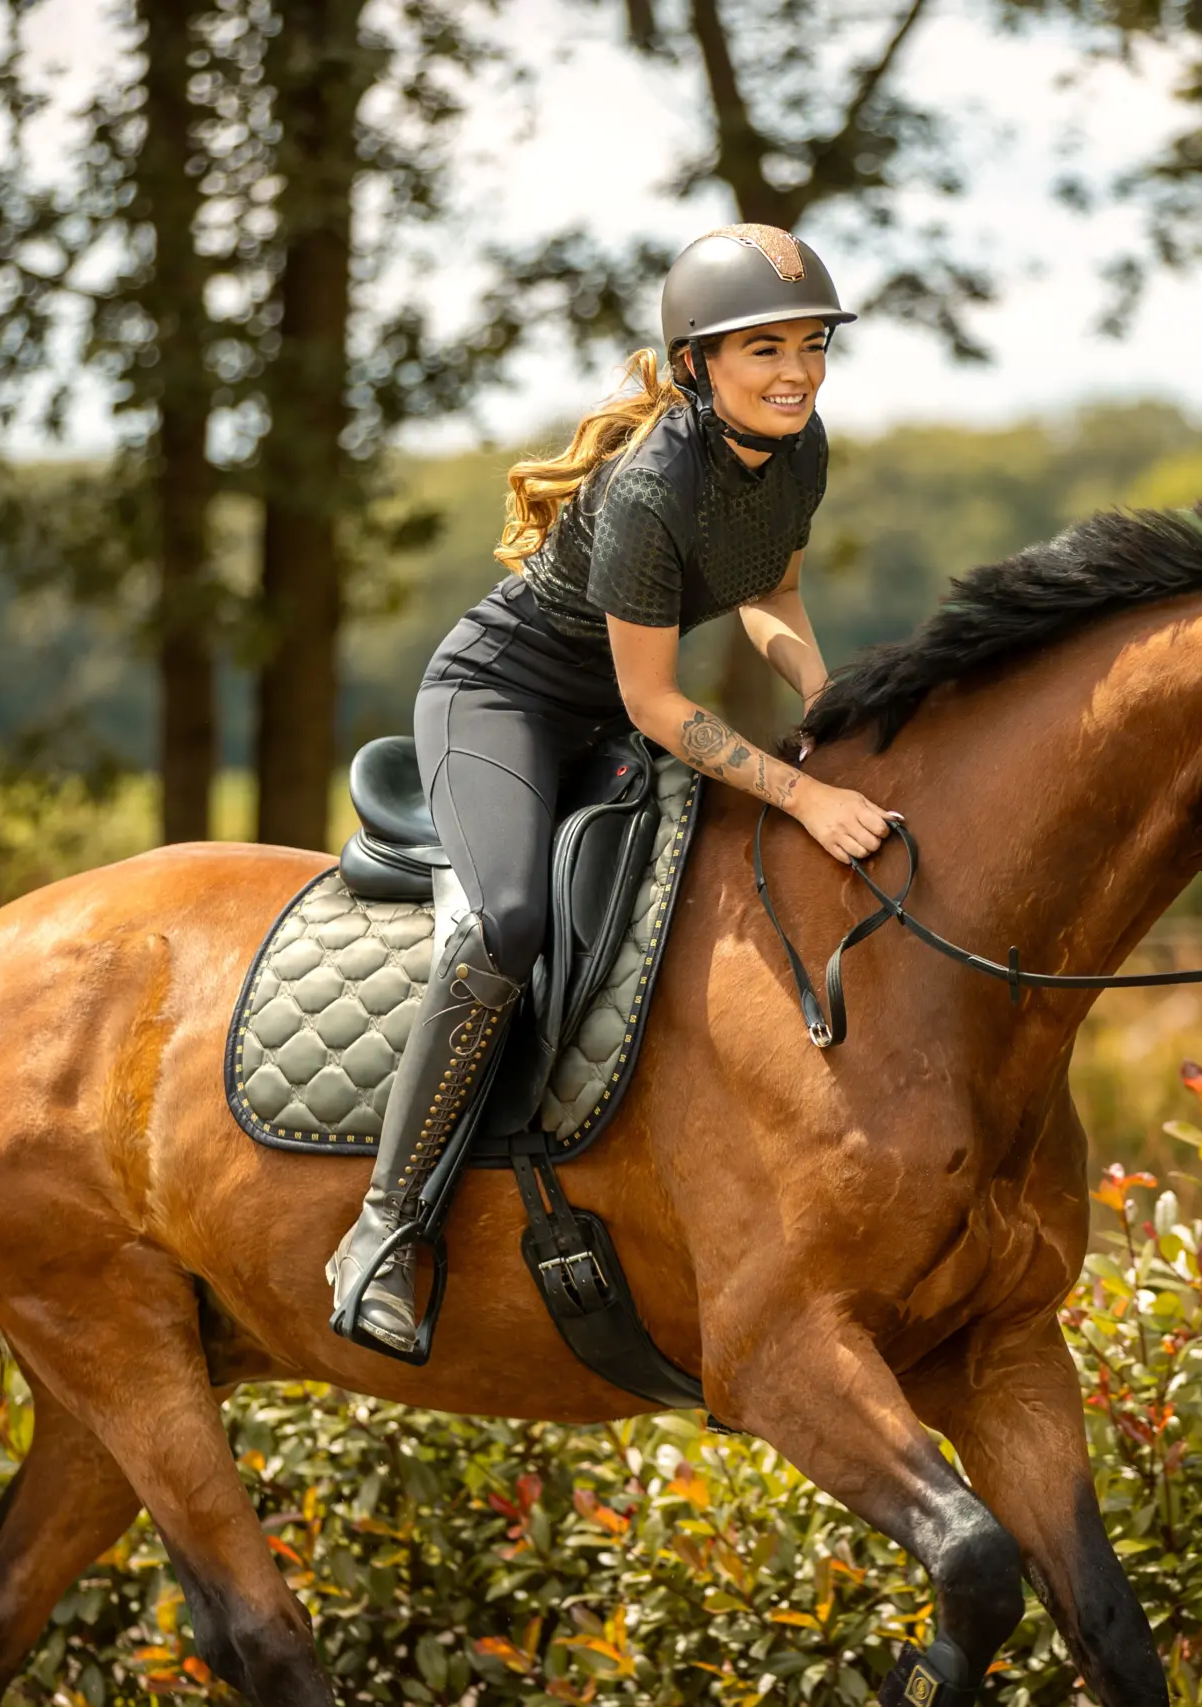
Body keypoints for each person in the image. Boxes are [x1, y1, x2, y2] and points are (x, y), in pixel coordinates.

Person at [326, 224, 899, 1352]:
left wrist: (827, 700)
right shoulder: (650, 490)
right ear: (697, 366)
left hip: (615, 719)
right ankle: (381, 1233)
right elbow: (654, 701)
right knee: (510, 921)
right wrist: (799, 791)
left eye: (812, 346)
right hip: (506, 703)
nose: (796, 373)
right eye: (763, 352)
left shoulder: (800, 447)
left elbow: (769, 593)